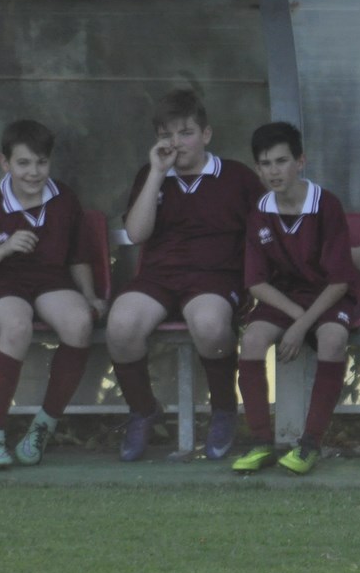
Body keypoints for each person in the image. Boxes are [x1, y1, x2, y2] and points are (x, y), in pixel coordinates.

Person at [104, 89, 263, 461]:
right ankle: (143, 410)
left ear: (206, 134)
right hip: (159, 276)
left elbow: (268, 231)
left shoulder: (236, 177)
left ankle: (223, 409)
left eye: (186, 132)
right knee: (120, 326)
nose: (176, 142)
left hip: (215, 277)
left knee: (209, 325)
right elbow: (137, 234)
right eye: (166, 135)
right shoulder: (152, 175)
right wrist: (157, 175)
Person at [0, 119, 107, 471]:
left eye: (41, 162)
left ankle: (43, 427)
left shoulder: (64, 199)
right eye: (23, 163)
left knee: (80, 323)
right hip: (0, 285)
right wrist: (3, 249)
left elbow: (79, 257)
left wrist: (89, 296)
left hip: (50, 281)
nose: (33, 172)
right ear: (5, 163)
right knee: (17, 326)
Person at [231, 121, 360, 476]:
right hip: (285, 299)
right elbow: (256, 283)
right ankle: (262, 443)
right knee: (251, 340)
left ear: (300, 162)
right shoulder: (260, 210)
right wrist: (298, 318)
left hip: (329, 297)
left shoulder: (326, 205)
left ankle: (310, 443)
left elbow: (339, 282)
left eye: (281, 161)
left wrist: (303, 325)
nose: (274, 171)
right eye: (265, 164)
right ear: (257, 169)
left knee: (333, 338)